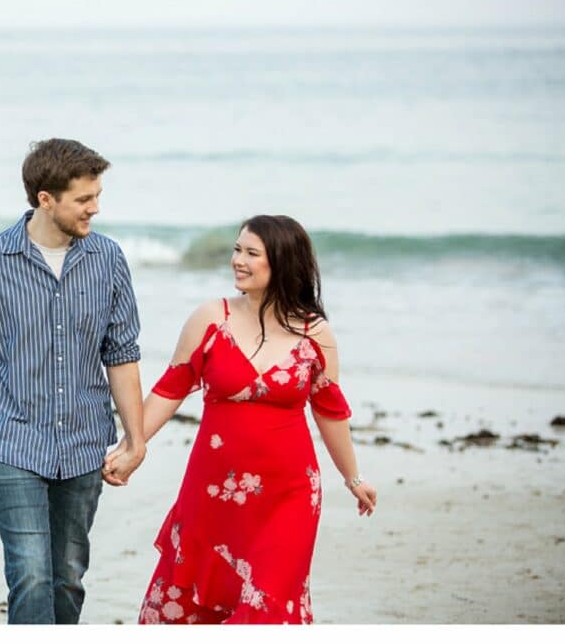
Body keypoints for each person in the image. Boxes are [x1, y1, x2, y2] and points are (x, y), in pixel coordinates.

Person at [105, 214, 377, 625]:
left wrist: (354, 478)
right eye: (237, 250)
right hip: (213, 490)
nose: (238, 260)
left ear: (282, 262)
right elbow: (171, 389)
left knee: (268, 603)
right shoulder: (212, 318)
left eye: (252, 253)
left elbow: (330, 411)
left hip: (289, 493)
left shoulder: (314, 332)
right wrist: (132, 445)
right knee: (193, 602)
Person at [0, 138, 147, 625]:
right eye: (84, 199)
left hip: (82, 445)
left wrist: (135, 439)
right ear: (45, 199)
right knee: (31, 573)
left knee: (68, 575)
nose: (95, 209)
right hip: (11, 442)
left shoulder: (108, 259)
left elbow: (121, 355)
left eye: (97, 196)